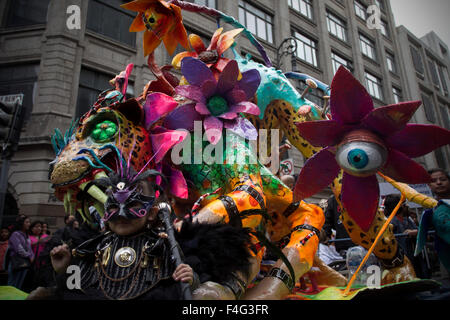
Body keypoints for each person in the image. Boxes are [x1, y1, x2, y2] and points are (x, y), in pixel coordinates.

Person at [6, 215, 34, 290]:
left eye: (29, 222)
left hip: (25, 263)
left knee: (19, 285)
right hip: (16, 262)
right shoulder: (15, 234)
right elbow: (19, 249)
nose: (29, 224)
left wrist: (32, 256)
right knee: (12, 284)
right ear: (21, 223)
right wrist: (29, 256)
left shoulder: (26, 235)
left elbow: (29, 248)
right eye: (27, 222)